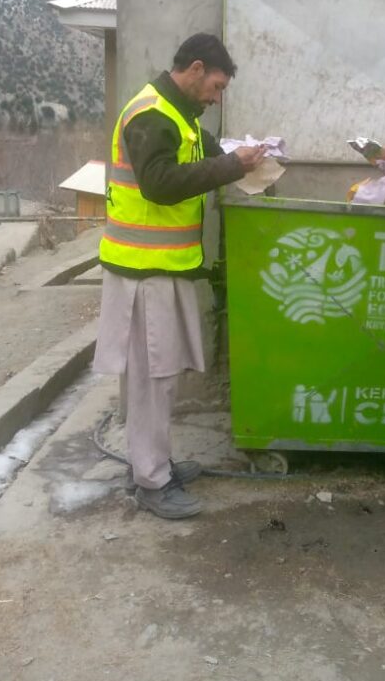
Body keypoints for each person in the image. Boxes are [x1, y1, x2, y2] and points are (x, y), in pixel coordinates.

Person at [93, 32, 265, 520]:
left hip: (162, 267)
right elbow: (160, 184)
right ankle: (151, 481)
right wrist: (230, 167)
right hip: (144, 271)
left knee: (158, 376)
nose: (216, 98)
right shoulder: (152, 115)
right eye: (216, 86)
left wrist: (248, 160)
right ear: (195, 69)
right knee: (153, 377)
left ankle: (152, 463)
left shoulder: (181, 117)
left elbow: (212, 157)